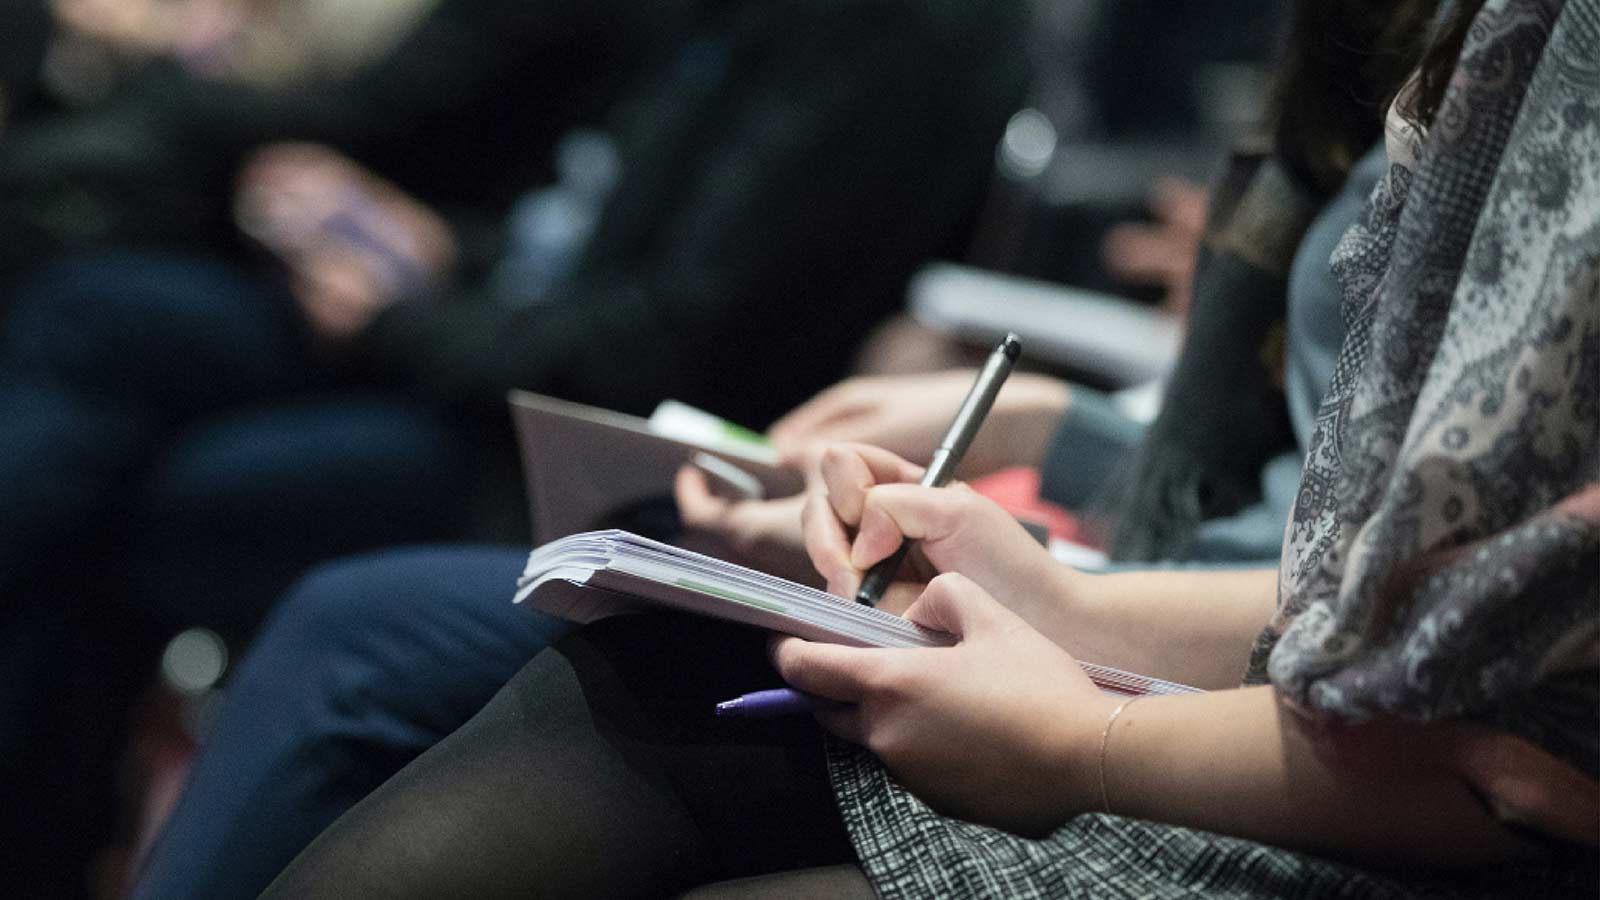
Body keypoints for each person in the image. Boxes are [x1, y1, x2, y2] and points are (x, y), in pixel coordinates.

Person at [235, 0, 1598, 894]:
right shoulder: (1423, 47)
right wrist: (1051, 521)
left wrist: (1086, 725)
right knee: (566, 655)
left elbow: (1485, 711)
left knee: (433, 643)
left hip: (1299, 752)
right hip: (1219, 628)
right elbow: (1346, 534)